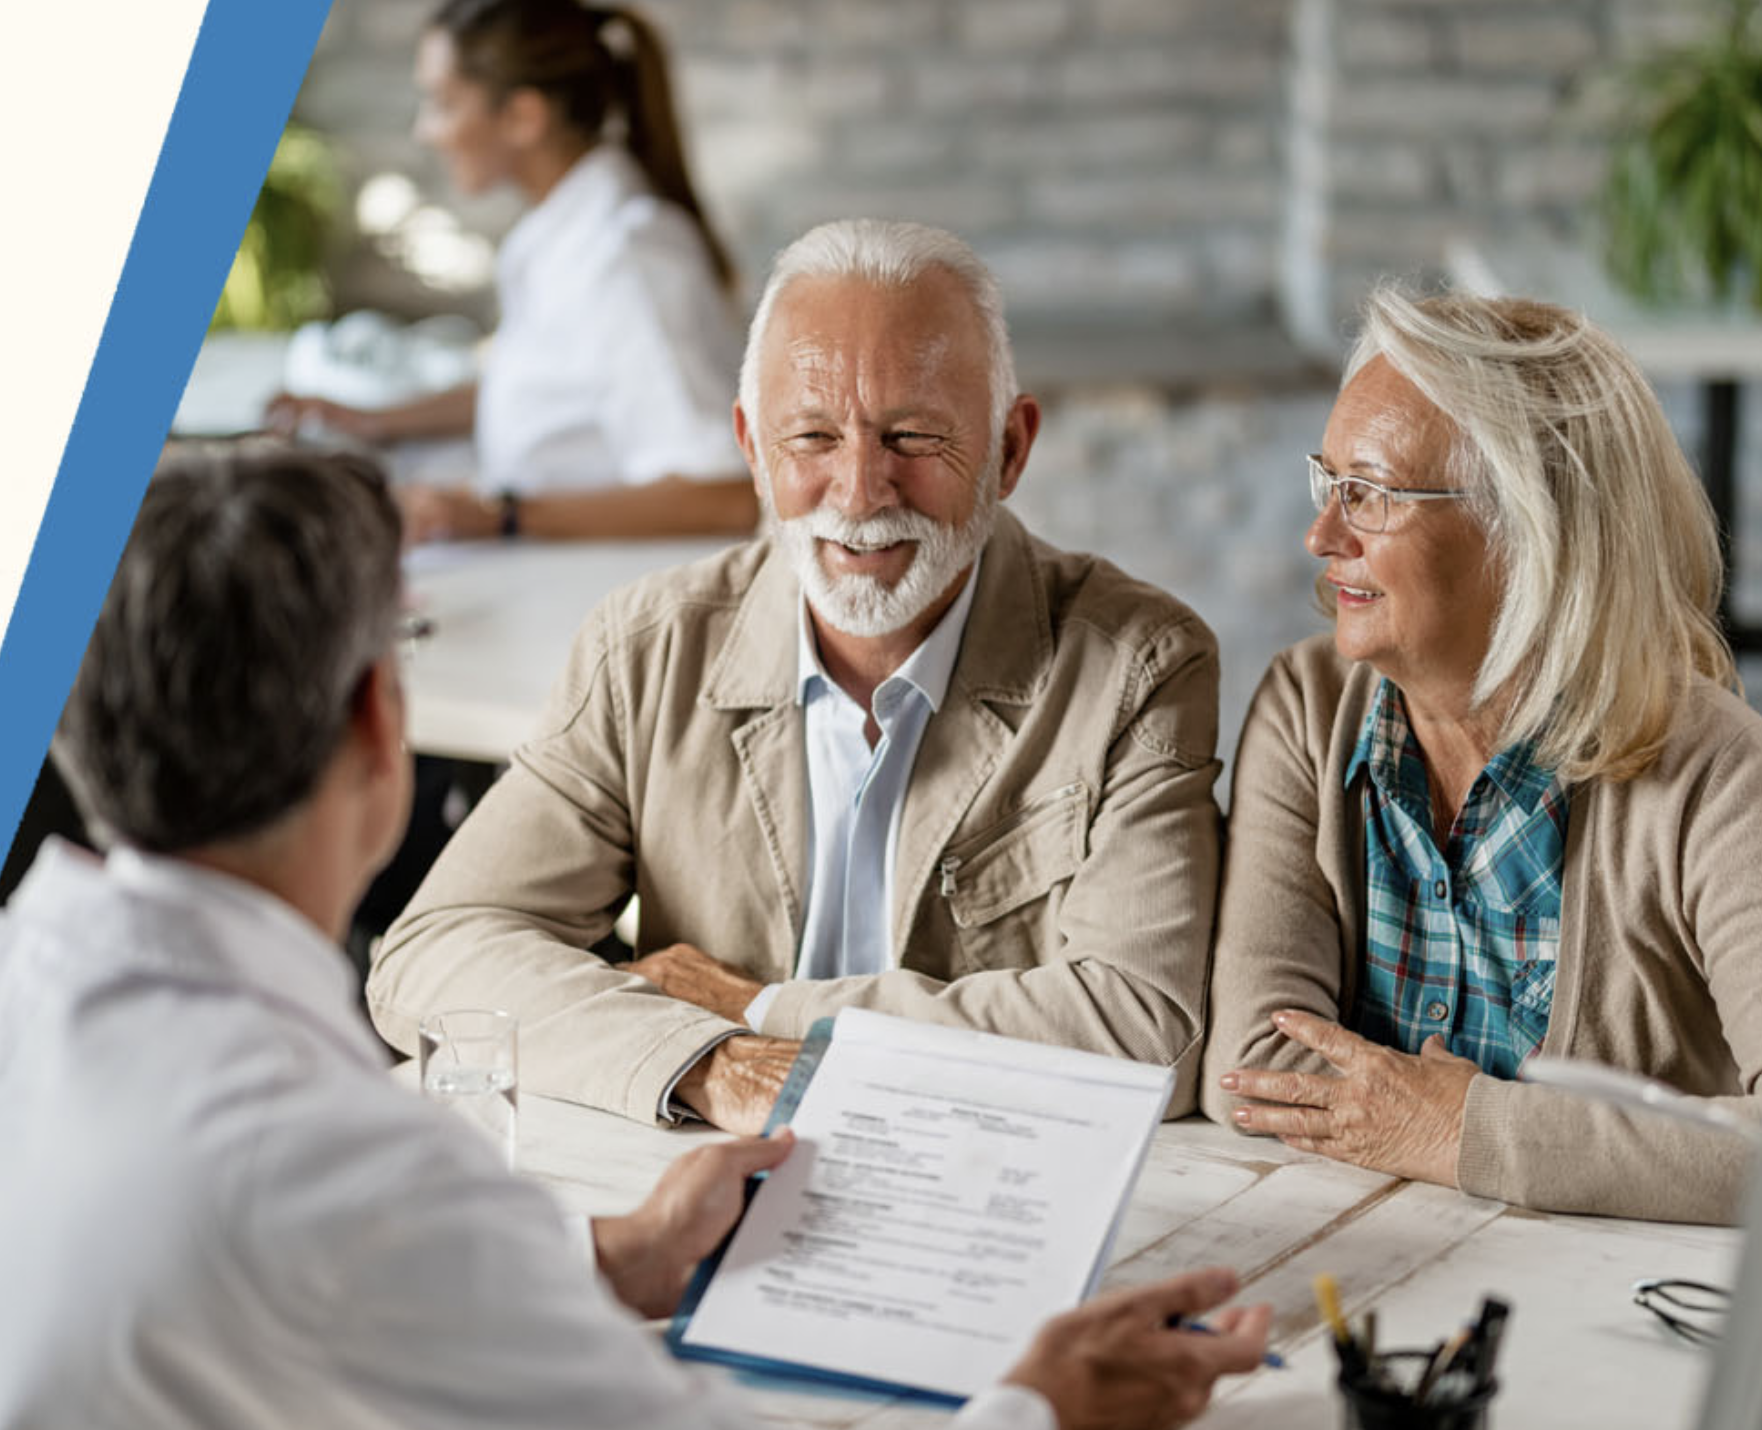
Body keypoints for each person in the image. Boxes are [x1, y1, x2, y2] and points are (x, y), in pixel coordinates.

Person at [0, 443, 1269, 1429]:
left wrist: (614, 1253)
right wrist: (1042, 1405)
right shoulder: (346, 1162)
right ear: (384, 723)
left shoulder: (36, 990)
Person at [367, 219, 1223, 1131]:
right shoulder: (647, 649)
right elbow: (435, 954)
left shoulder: (1140, 666)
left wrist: (758, 1011)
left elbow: (1147, 1036)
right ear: (751, 448)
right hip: (702, 1179)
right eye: (812, 437)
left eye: (914, 436)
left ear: (1011, 450)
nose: (859, 492)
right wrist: (711, 1065)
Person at [1203, 289, 1762, 1225]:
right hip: (1369, 1267)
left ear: (1524, 530)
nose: (1322, 536)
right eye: (1326, 482)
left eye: (1369, 494)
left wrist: (1468, 1131)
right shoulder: (1306, 711)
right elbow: (1251, 1073)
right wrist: (1545, 1140)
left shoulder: (1720, 774)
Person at [266, 0, 755, 542]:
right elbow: (536, 390)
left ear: (523, 116)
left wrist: (500, 515)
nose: (426, 131)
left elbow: (727, 496)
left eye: (443, 103)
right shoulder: (557, 234)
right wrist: (373, 421)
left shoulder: (628, 261)